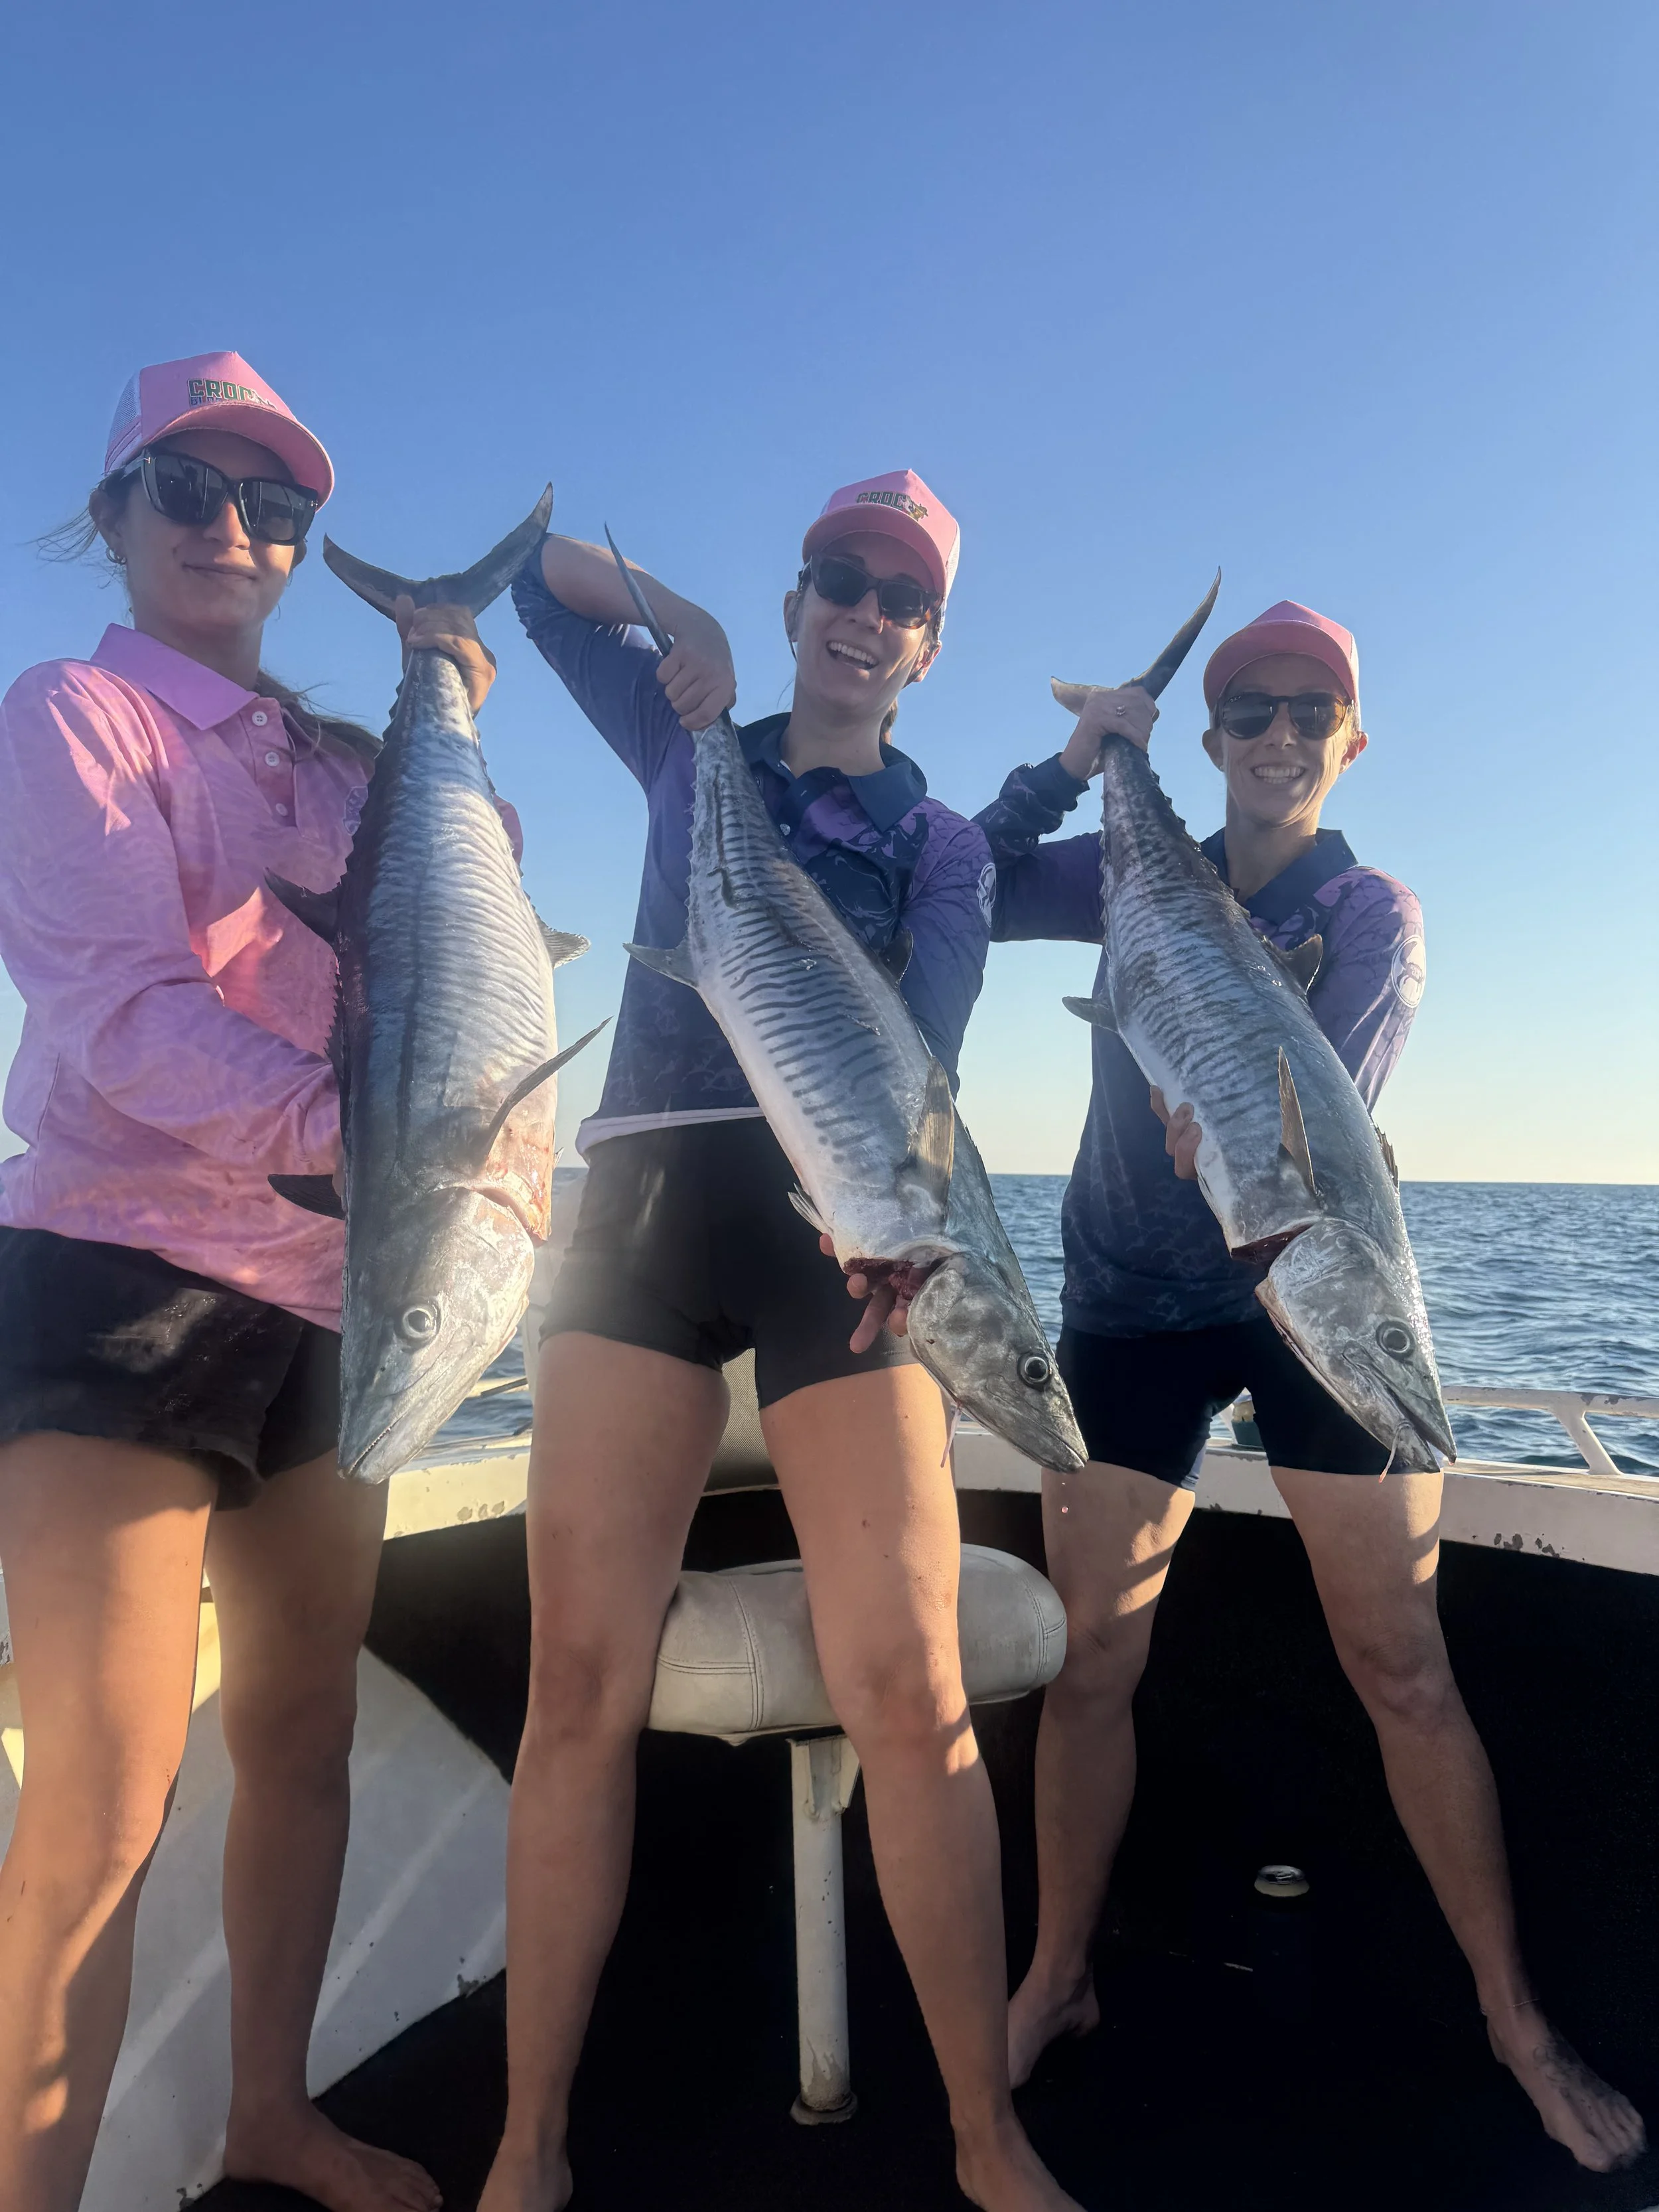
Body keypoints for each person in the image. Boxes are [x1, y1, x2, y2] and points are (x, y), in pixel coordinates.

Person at [974, 599, 1646, 2174]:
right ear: (1205, 742)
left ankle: (1513, 2021)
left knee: (1399, 1661)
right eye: (1248, 710)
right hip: (1133, 1298)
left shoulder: (1370, 907)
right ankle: (1057, 1978)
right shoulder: (1134, 857)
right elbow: (979, 889)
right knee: (1090, 1661)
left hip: (1311, 1297)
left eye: (1306, 711)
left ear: (1349, 739)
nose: (1277, 735)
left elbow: (1305, 1106)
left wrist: (1233, 1138)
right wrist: (1079, 759)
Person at [484, 473, 1083, 2212]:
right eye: (838, 578)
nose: (863, 613)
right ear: (803, 591)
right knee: (574, 1686)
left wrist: (893, 1219)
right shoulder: (696, 743)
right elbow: (532, 577)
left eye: (900, 599)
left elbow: (928, 1049)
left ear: (927, 644)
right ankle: (528, 2144)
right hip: (648, 1210)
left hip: (844, 1221)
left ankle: (983, 2135)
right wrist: (691, 629)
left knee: (911, 1688)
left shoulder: (944, 845)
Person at [0, 351, 501, 2212]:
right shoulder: (69, 715)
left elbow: (463, 932)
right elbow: (122, 1012)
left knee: (296, 1732)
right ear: (114, 512)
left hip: (327, 1288)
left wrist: (448, 710)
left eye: (275, 504)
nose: (237, 527)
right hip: (118, 1278)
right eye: (194, 489)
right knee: (106, 1800)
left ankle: (268, 2113)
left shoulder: (345, 762)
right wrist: (377, 1154)